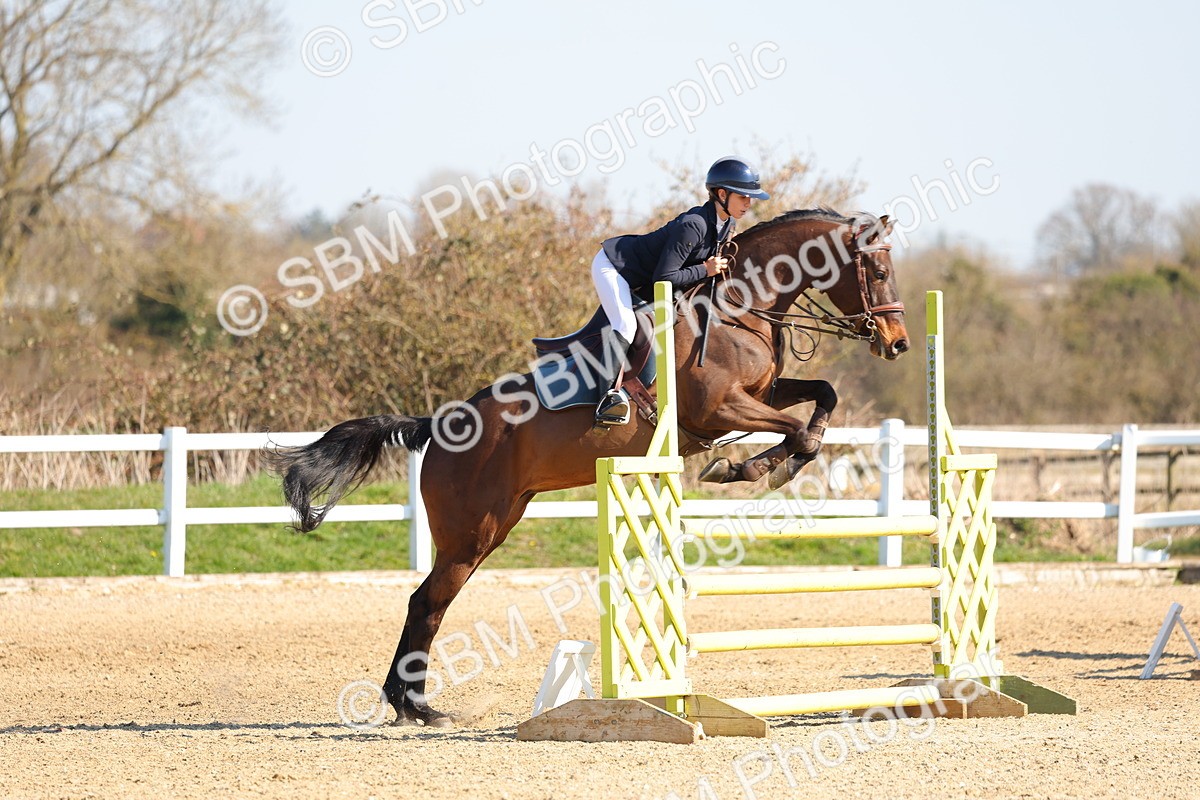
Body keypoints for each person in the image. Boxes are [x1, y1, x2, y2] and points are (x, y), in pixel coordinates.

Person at [591, 156, 770, 425]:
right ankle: (606, 399)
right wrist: (706, 270)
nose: (749, 203)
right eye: (743, 196)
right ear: (722, 194)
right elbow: (664, 277)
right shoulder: (694, 225)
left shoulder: (727, 225)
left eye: (750, 197)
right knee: (626, 324)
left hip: (646, 278)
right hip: (615, 268)